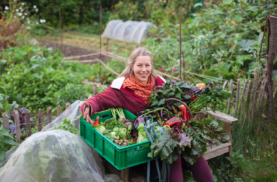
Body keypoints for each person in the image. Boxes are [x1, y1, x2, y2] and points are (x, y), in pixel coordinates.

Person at [81, 47, 214, 182]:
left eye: (147, 65)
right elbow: (99, 99)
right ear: (132, 66)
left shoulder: (159, 83)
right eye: (139, 65)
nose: (144, 70)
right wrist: (88, 106)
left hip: (167, 129)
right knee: (175, 149)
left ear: (151, 66)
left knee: (192, 146)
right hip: (146, 138)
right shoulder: (121, 88)